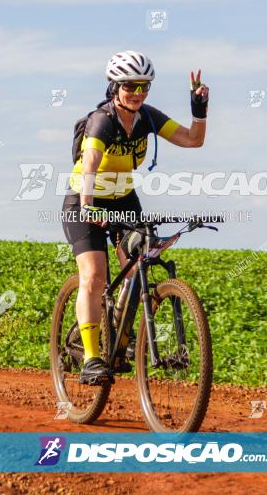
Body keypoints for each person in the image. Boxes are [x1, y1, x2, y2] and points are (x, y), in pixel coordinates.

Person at [60, 50, 210, 385]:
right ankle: (91, 358)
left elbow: (193, 140)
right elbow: (91, 164)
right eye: (130, 86)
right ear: (115, 86)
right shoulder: (103, 119)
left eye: (144, 86)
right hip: (84, 201)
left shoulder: (147, 117)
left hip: (124, 200)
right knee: (95, 275)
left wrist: (199, 109)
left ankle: (124, 337)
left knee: (143, 261)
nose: (138, 93)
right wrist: (88, 205)